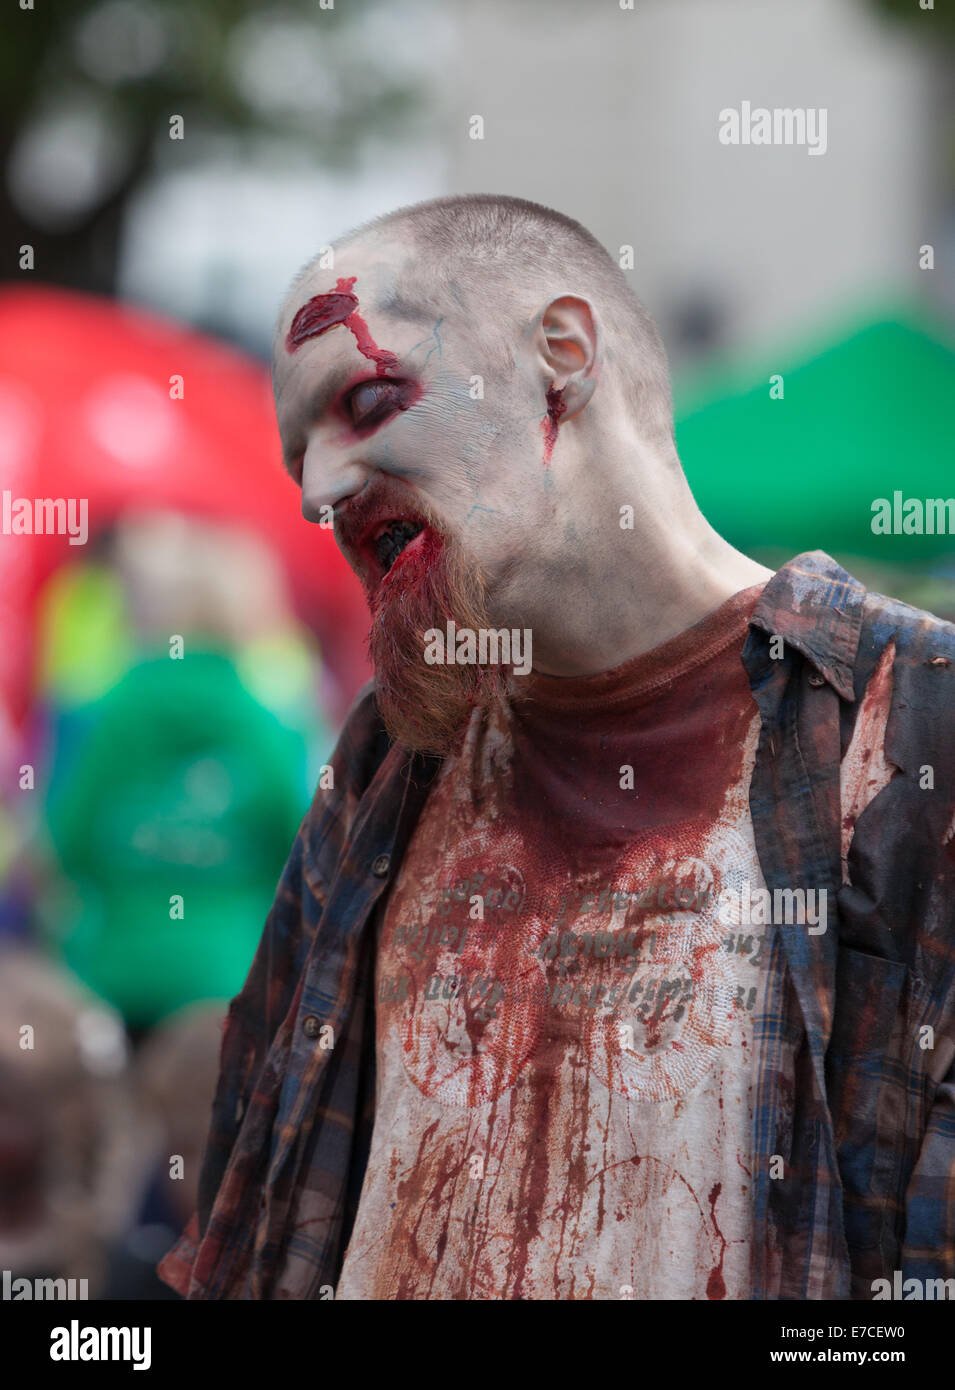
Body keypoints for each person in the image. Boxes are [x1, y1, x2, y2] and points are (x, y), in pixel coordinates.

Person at [159, 194, 955, 1301]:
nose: (317, 491)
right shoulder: (390, 757)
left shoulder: (914, 728)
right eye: (301, 453)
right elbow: (256, 1211)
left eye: (367, 401)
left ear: (561, 357)